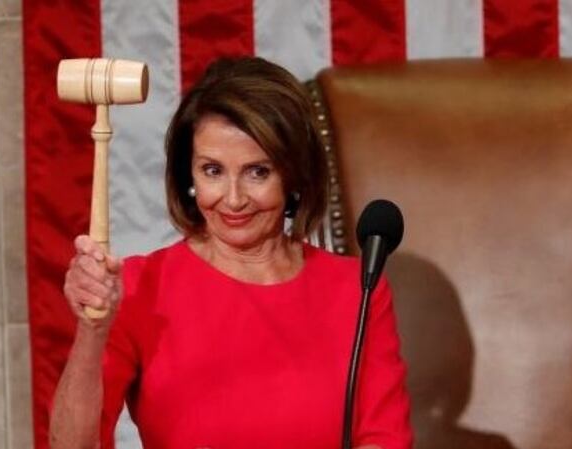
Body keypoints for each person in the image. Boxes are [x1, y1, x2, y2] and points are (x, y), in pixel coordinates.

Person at [50, 57, 413, 449]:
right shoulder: (140, 287)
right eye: (212, 171)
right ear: (188, 175)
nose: (234, 199)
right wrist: (92, 332)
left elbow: (384, 439)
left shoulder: (358, 289)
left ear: (294, 174)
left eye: (257, 172)